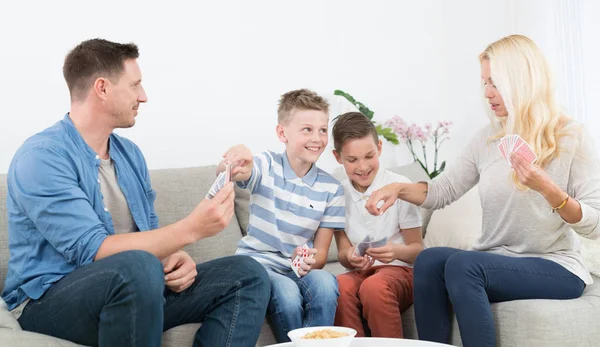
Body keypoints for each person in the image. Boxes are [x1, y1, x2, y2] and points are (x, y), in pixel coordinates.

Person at [2, 38, 270, 347]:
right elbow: (93, 250)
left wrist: (171, 257)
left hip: (136, 290)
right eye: (135, 85)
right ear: (102, 88)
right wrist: (191, 230)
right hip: (48, 304)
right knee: (137, 266)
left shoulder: (129, 155)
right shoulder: (42, 157)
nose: (143, 97)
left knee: (247, 273)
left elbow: (148, 237)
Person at [364, 34, 600, 347]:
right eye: (484, 83)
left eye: (496, 83)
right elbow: (444, 190)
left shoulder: (571, 136)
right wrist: (397, 188)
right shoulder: (488, 139)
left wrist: (548, 189)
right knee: (430, 260)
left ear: (522, 81)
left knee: (464, 264)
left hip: (556, 267)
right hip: (496, 261)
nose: (487, 93)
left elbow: (594, 223)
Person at [219, 89, 345, 342]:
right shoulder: (265, 165)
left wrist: (308, 260)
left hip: (298, 269)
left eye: (322, 130)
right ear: (282, 134)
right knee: (286, 293)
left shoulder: (332, 188)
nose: (317, 138)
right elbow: (232, 173)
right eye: (307, 129)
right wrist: (232, 162)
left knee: (326, 283)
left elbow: (320, 256)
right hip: (259, 266)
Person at [330, 112, 423, 338]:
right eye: (352, 160)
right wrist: (350, 257)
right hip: (360, 273)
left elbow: (418, 250)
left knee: (374, 287)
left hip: (400, 272)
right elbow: (342, 252)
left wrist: (396, 251)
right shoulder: (336, 195)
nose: (362, 167)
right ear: (338, 157)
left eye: (369, 156)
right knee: (339, 286)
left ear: (379, 148)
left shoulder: (399, 187)